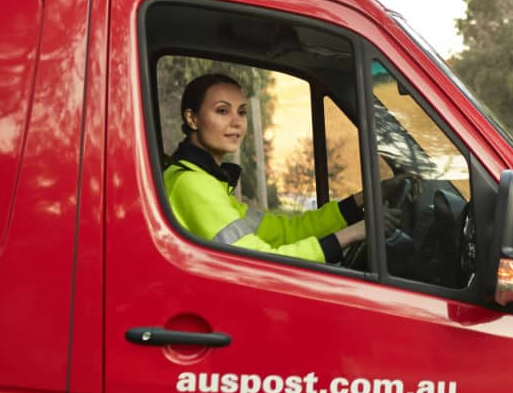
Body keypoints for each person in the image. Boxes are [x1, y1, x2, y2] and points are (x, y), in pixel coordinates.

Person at [165, 73, 387, 264]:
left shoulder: (210, 182)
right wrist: (354, 234)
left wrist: (357, 203)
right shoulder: (192, 184)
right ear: (192, 119)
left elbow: (284, 232)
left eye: (241, 112)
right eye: (222, 111)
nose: (237, 122)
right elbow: (255, 262)